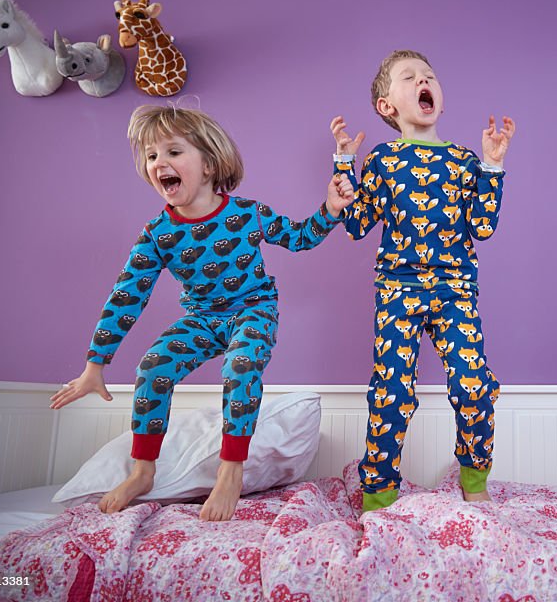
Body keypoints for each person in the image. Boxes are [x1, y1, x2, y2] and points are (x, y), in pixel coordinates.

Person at [51, 105, 354, 521]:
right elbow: (126, 296)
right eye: (152, 156)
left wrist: (332, 209)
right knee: (154, 367)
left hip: (254, 309)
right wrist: (95, 364)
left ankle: (230, 474)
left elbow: (300, 238)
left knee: (240, 366)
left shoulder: (248, 214)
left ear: (209, 164)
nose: (159, 163)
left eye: (173, 152)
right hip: (202, 318)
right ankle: (143, 472)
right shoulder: (157, 234)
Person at [331, 50, 515, 511]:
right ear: (387, 106)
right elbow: (355, 224)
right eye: (409, 77)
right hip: (397, 289)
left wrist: (492, 166)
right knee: (392, 392)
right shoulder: (382, 158)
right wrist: (342, 164)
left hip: (454, 289)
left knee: (474, 384)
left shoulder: (462, 160)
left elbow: (484, 226)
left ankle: (475, 480)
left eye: (429, 76)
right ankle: (378, 494)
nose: (422, 81)